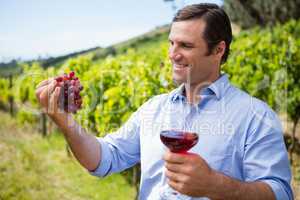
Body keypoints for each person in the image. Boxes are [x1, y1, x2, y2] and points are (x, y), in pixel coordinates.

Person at [35, 3, 293, 200]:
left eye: (185, 45)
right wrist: (65, 121)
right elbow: (104, 159)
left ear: (218, 50)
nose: (172, 54)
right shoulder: (153, 109)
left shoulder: (254, 115)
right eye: (171, 43)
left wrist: (217, 185)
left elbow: (281, 192)